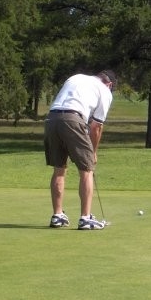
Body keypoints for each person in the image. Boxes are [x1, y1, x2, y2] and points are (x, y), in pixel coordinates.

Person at [44, 70, 116, 230]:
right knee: (86, 170)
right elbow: (96, 126)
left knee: (59, 169)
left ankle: (57, 216)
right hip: (73, 119)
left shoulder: (76, 77)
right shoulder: (105, 91)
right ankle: (85, 218)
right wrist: (93, 152)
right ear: (110, 84)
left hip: (51, 119)